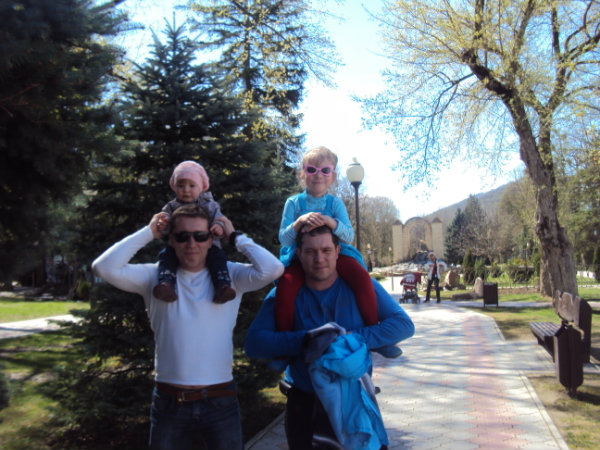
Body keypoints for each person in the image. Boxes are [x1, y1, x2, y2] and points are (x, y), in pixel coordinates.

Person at [92, 204, 284, 450]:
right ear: (171, 240)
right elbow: (103, 267)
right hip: (170, 402)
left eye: (200, 235)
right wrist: (149, 232)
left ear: (211, 239)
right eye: (182, 236)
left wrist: (235, 236)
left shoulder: (229, 277)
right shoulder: (154, 278)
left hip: (220, 400)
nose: (191, 243)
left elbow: (273, 269)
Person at [244, 226, 415, 450]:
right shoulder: (283, 295)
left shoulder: (362, 287)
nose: (319, 259)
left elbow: (404, 325)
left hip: (355, 400)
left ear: (337, 251)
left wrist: (348, 339)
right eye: (310, 252)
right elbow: (254, 343)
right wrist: (309, 340)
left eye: (326, 250)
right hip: (305, 407)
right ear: (298, 254)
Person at [276, 146, 400, 359]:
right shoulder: (294, 203)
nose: (318, 175)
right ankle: (283, 346)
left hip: (335, 255)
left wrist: (330, 222)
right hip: (300, 256)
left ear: (332, 176)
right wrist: (298, 223)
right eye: (312, 169)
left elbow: (348, 235)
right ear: (303, 174)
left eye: (325, 171)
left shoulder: (335, 204)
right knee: (286, 286)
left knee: (361, 277)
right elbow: (284, 239)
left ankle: (376, 335)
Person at [153, 160, 235, 304]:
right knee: (166, 256)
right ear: (174, 187)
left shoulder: (209, 205)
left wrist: (218, 226)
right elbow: (165, 224)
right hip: (178, 246)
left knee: (218, 258)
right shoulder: (171, 206)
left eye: (191, 185)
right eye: (180, 186)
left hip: (209, 245)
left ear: (201, 187)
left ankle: (222, 285)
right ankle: (166, 284)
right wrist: (163, 223)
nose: (186, 190)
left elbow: (220, 219)